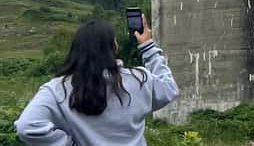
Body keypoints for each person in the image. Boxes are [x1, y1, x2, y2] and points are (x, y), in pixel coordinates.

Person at [14, 19, 178, 146]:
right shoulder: (138, 79)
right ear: (113, 47)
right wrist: (148, 47)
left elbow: (26, 126)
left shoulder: (57, 88)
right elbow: (169, 89)